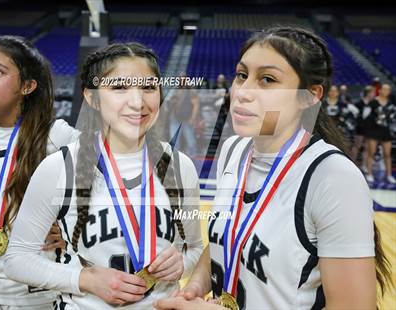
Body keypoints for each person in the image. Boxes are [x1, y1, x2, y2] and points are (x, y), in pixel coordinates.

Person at [153, 26, 391, 310]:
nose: (242, 92)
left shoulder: (333, 177)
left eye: (267, 79)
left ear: (310, 96)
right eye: (242, 75)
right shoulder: (233, 150)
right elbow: (227, 238)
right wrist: (197, 283)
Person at [4, 42, 204, 309]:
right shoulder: (59, 167)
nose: (137, 101)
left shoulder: (180, 166)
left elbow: (195, 248)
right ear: (91, 97)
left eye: (148, 87)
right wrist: (84, 279)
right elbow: (17, 259)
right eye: (119, 87)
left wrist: (181, 263)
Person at [0, 35, 79, 309]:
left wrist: (72, 231)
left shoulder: (57, 137)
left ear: (27, 85)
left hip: (37, 295)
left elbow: (112, 182)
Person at [364, 84, 396, 184]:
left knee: (387, 154)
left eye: (388, 89)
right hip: (373, 130)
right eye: (384, 89)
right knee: (371, 153)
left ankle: (389, 175)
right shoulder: (373, 102)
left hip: (385, 131)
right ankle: (369, 174)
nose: (386, 91)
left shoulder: (391, 103)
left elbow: (392, 117)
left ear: (389, 92)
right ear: (380, 90)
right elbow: (365, 115)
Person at [168, 74, 200, 157]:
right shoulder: (174, 90)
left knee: (190, 141)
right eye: (180, 80)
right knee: (174, 140)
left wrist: (192, 118)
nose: (182, 82)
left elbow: (196, 105)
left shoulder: (190, 91)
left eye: (183, 80)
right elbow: (169, 102)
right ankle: (175, 158)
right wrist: (172, 101)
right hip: (175, 118)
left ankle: (192, 158)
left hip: (187, 119)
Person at [350, 85, 375, 168]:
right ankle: (351, 163)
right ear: (368, 93)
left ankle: (364, 165)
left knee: (367, 148)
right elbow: (355, 117)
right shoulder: (358, 103)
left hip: (370, 128)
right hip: (360, 128)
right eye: (373, 93)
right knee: (357, 146)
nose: (374, 94)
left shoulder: (373, 104)